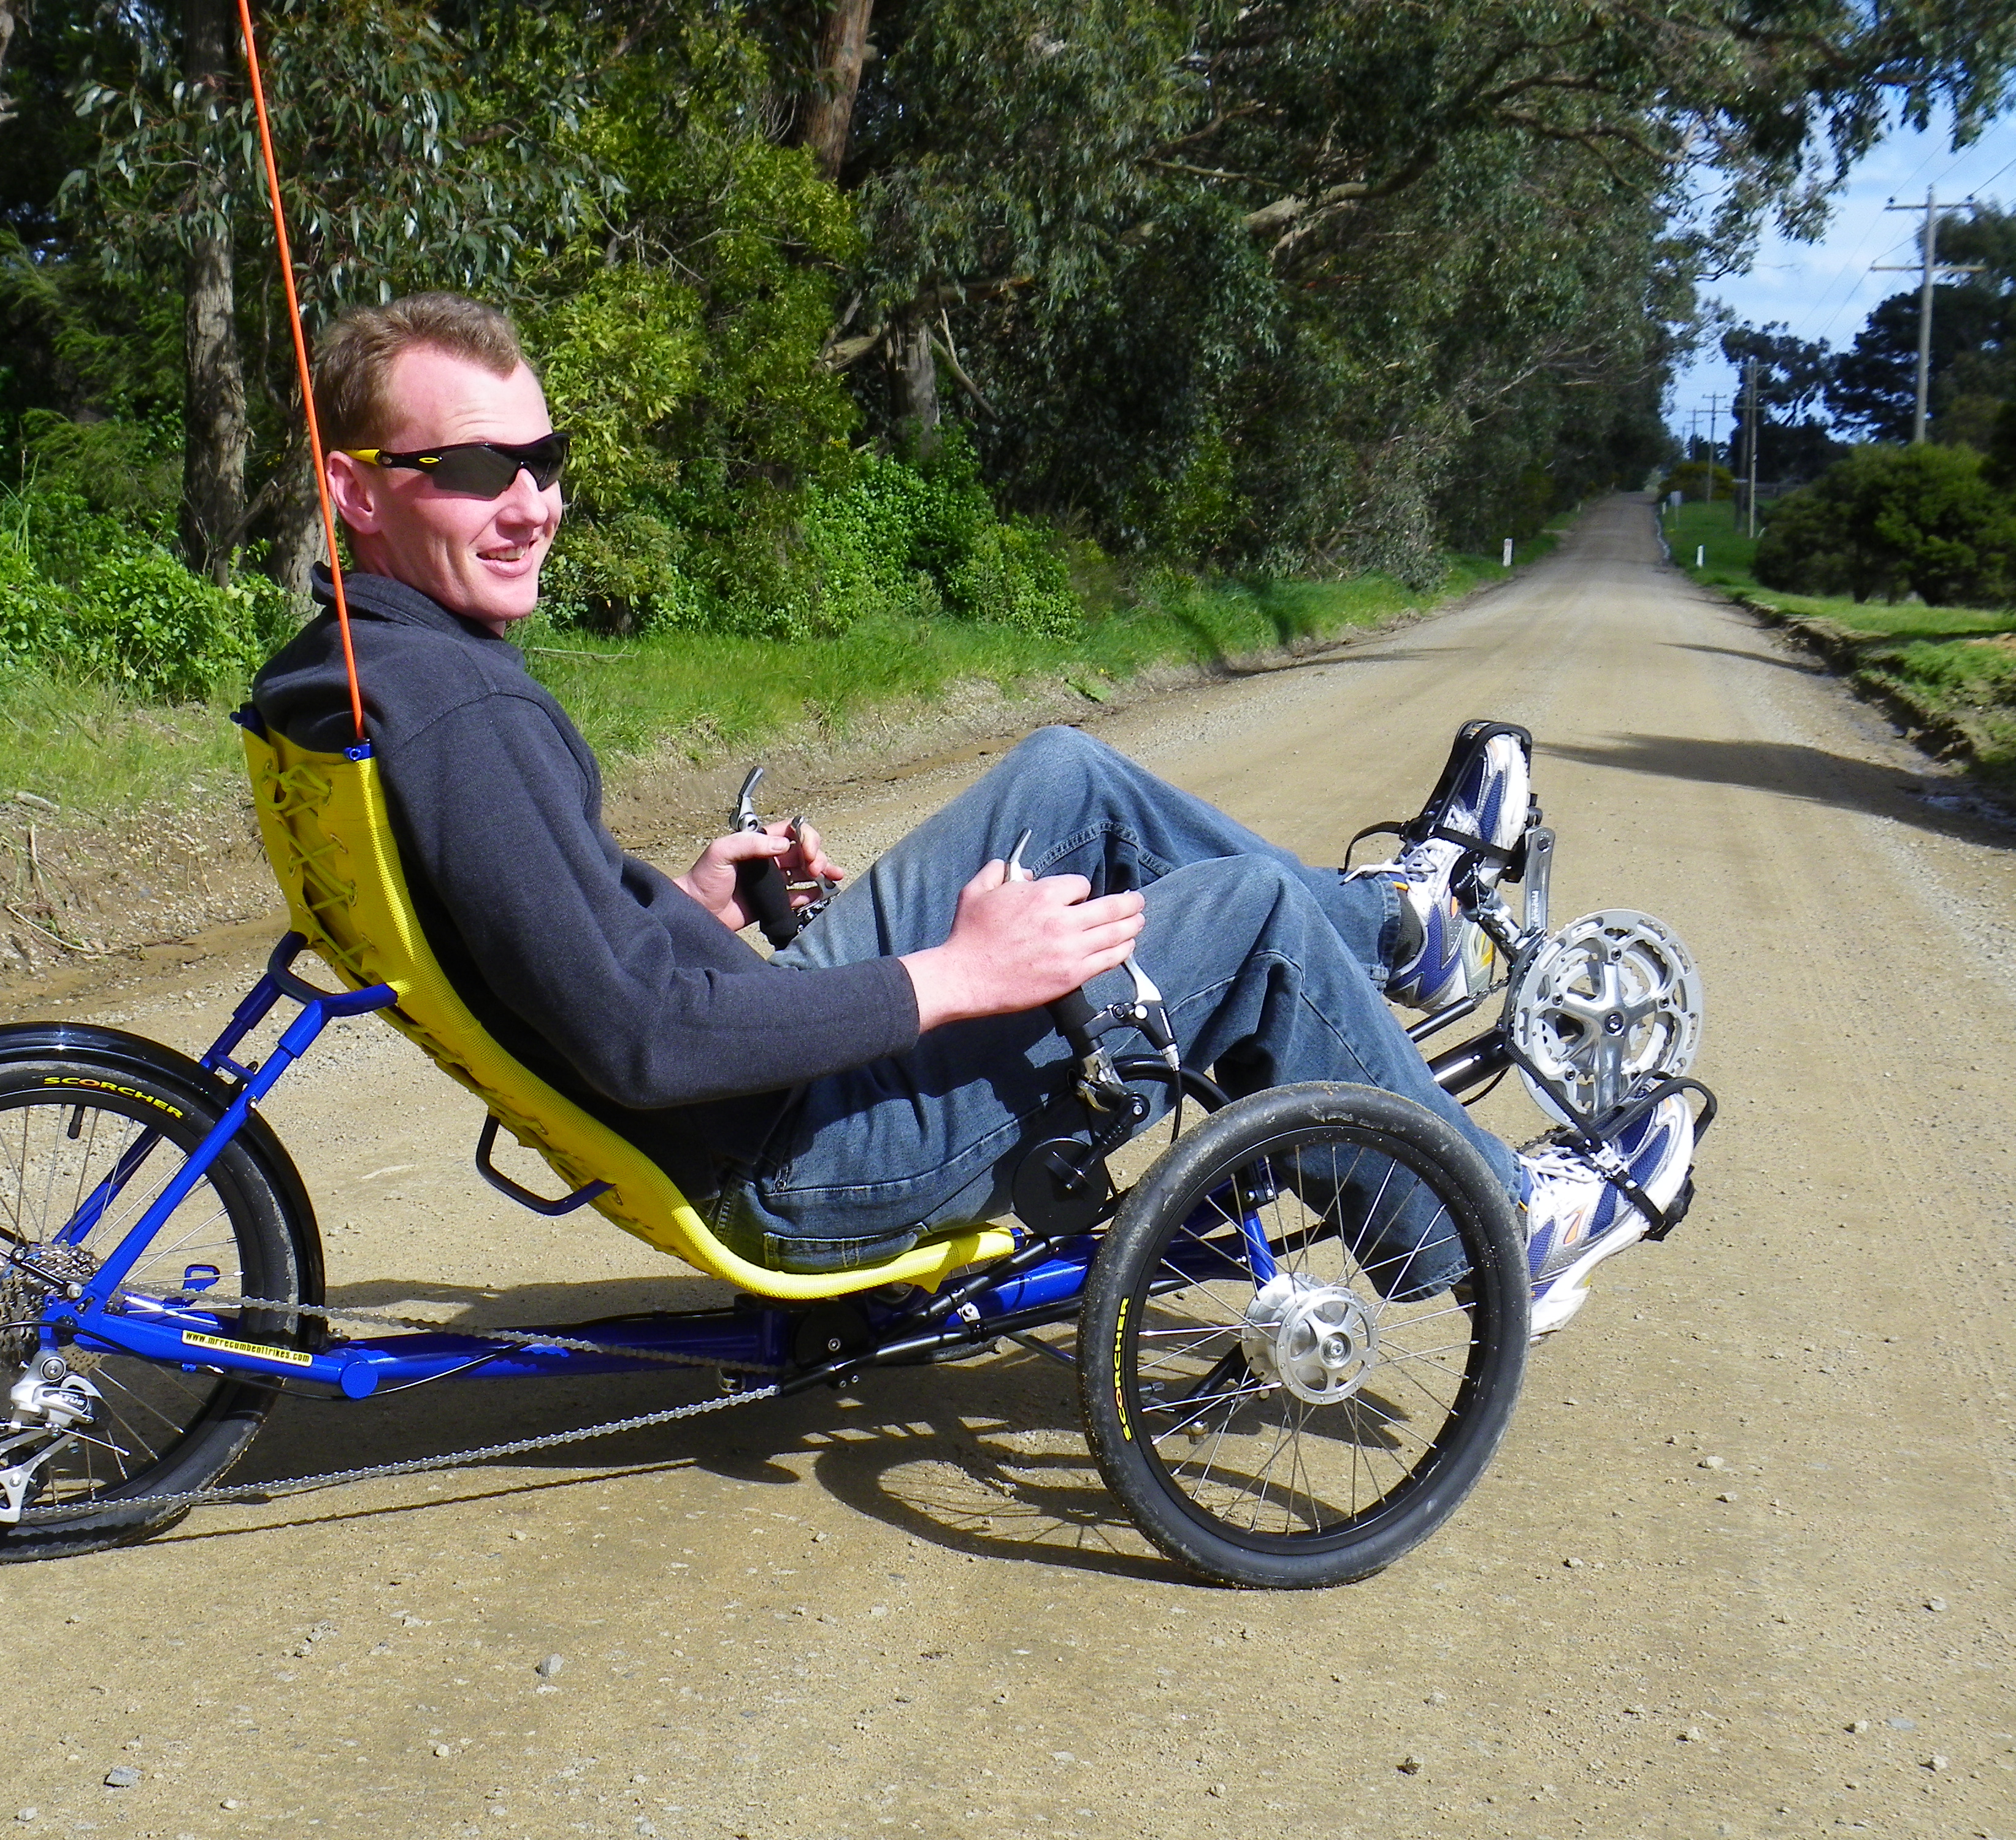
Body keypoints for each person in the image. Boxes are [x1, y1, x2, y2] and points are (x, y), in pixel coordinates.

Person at [251, 293, 1693, 1333]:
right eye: (474, 470)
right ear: (354, 490)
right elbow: (638, 1039)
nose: (530, 504)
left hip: (750, 1091)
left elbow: (559, 950)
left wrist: (675, 905)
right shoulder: (462, 711)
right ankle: (1490, 1224)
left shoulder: (371, 668)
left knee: (1061, 776)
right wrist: (960, 977)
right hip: (792, 1164)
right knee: (1243, 922)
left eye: (544, 461)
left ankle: (1406, 929)